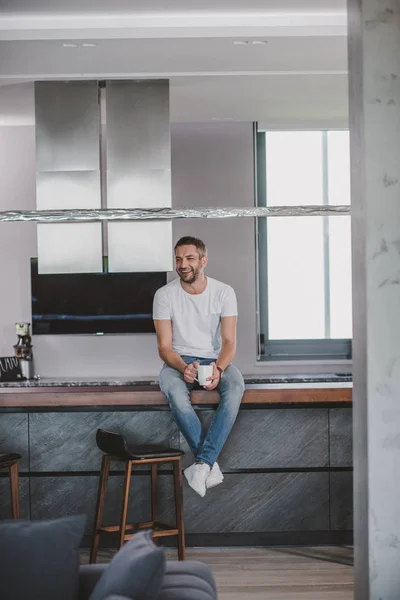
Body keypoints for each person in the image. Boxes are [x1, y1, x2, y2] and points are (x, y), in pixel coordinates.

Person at [153, 236, 244, 497]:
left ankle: (201, 465)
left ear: (203, 260)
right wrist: (183, 368)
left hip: (213, 359)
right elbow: (164, 348)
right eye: (179, 259)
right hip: (177, 362)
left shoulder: (224, 292)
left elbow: (228, 341)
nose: (183, 264)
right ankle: (208, 464)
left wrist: (219, 368)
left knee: (236, 385)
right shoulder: (164, 295)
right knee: (176, 394)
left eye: (190, 258)